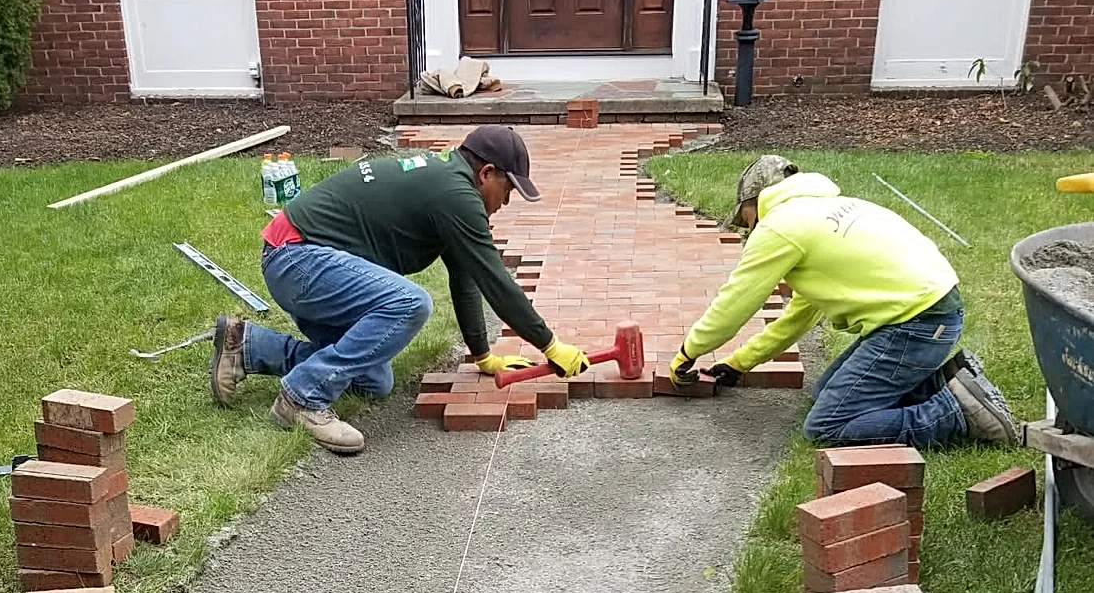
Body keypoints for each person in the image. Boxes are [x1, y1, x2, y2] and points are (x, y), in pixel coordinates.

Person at [208, 125, 590, 455]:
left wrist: (484, 357)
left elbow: (467, 277)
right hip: (297, 258)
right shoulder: (456, 195)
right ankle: (301, 398)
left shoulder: (449, 184)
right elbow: (496, 280)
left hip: (301, 262)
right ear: (487, 173)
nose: (506, 202)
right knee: (410, 303)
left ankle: (249, 347)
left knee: (373, 381)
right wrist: (550, 345)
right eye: (508, 190)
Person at [667, 155, 1016, 449]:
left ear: (755, 202)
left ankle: (953, 413)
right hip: (934, 316)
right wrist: (741, 362)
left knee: (827, 425)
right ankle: (950, 383)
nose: (746, 227)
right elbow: (799, 317)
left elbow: (734, 304)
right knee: (823, 394)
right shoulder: (824, 211)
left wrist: (689, 351)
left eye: (743, 216)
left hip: (915, 327)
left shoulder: (778, 226)